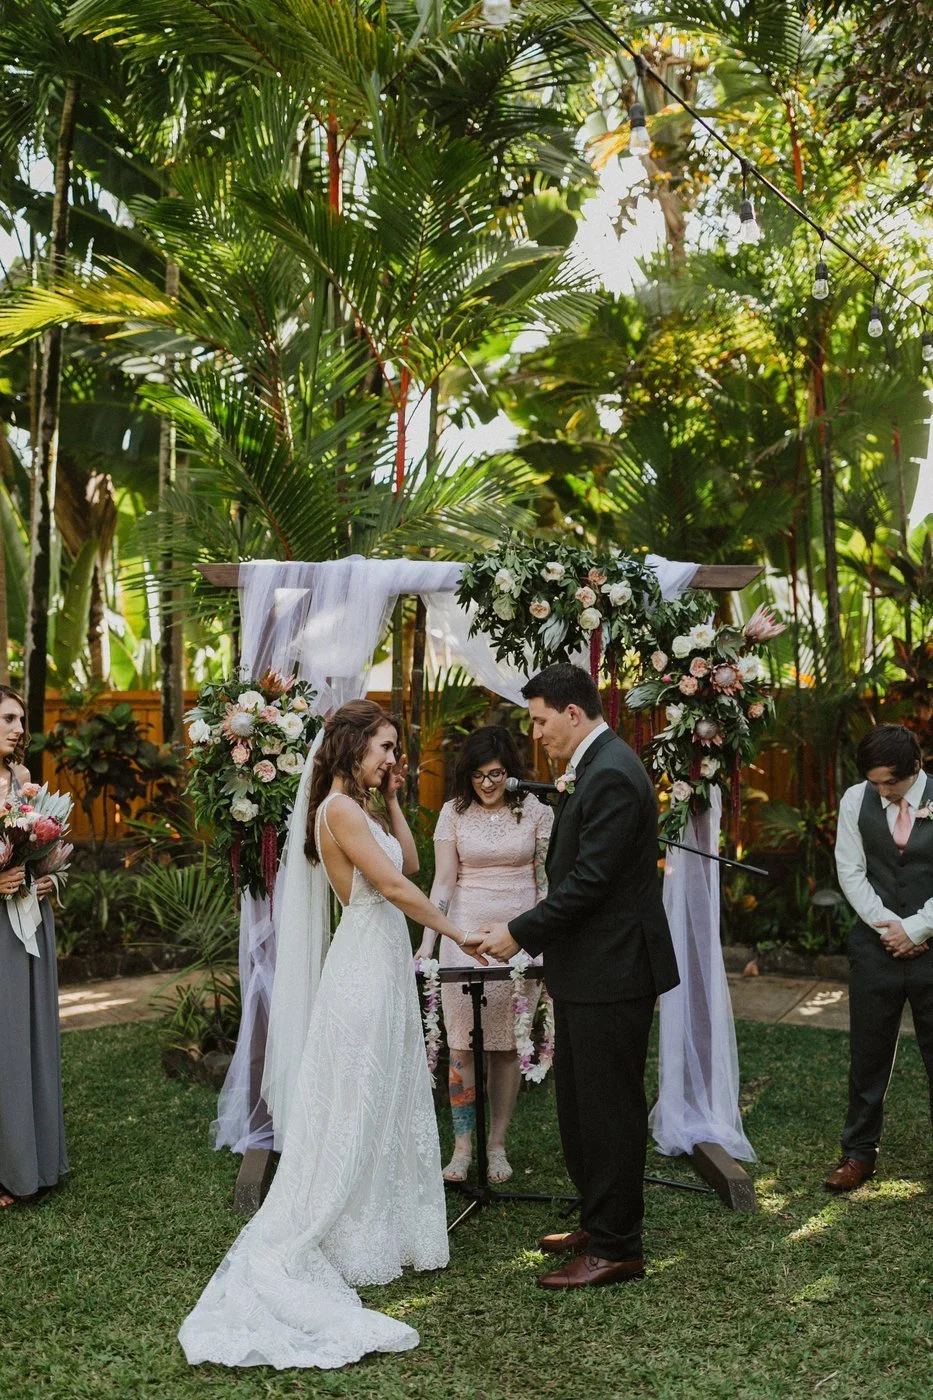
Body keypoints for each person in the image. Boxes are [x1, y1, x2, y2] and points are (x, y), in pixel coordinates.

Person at [179, 700, 486, 1370]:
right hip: (363, 968)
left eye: (395, 750)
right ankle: (346, 1231)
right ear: (348, 748)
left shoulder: (365, 808)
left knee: (388, 1095)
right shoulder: (337, 812)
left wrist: (397, 799)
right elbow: (394, 886)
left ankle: (389, 1225)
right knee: (357, 1098)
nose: (391, 758)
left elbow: (404, 856)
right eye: (383, 747)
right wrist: (458, 932)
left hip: (380, 963)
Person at [476, 664, 679, 1290]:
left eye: (539, 720)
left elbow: (591, 881)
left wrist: (520, 931)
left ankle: (618, 1248)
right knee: (581, 1104)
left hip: (615, 967)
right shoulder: (596, 765)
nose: (534, 733)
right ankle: (598, 1218)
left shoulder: (614, 773)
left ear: (572, 712)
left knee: (610, 1108)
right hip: (592, 966)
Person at [415, 726, 553, 1185]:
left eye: (495, 774)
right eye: (478, 776)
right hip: (465, 935)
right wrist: (429, 943)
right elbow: (443, 882)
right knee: (461, 1044)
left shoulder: (535, 811)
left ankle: (496, 1144)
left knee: (507, 1046)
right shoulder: (453, 813)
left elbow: (544, 881)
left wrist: (544, 938)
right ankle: (461, 1147)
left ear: (511, 772)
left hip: (521, 938)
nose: (488, 785)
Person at [824, 723, 933, 1191]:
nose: (883, 791)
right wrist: (890, 928)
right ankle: (858, 1154)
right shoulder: (856, 800)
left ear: (917, 767)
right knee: (867, 1056)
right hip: (876, 949)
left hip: (932, 947)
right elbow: (850, 871)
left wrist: (918, 928)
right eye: (876, 783)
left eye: (892, 782)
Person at [0, 685, 67, 1209]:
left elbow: (46, 855)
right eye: (7, 718)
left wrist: (48, 882)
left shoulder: (24, 782)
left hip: (32, 922)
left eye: (20, 719)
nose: (18, 728)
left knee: (31, 1040)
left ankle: (35, 1162)